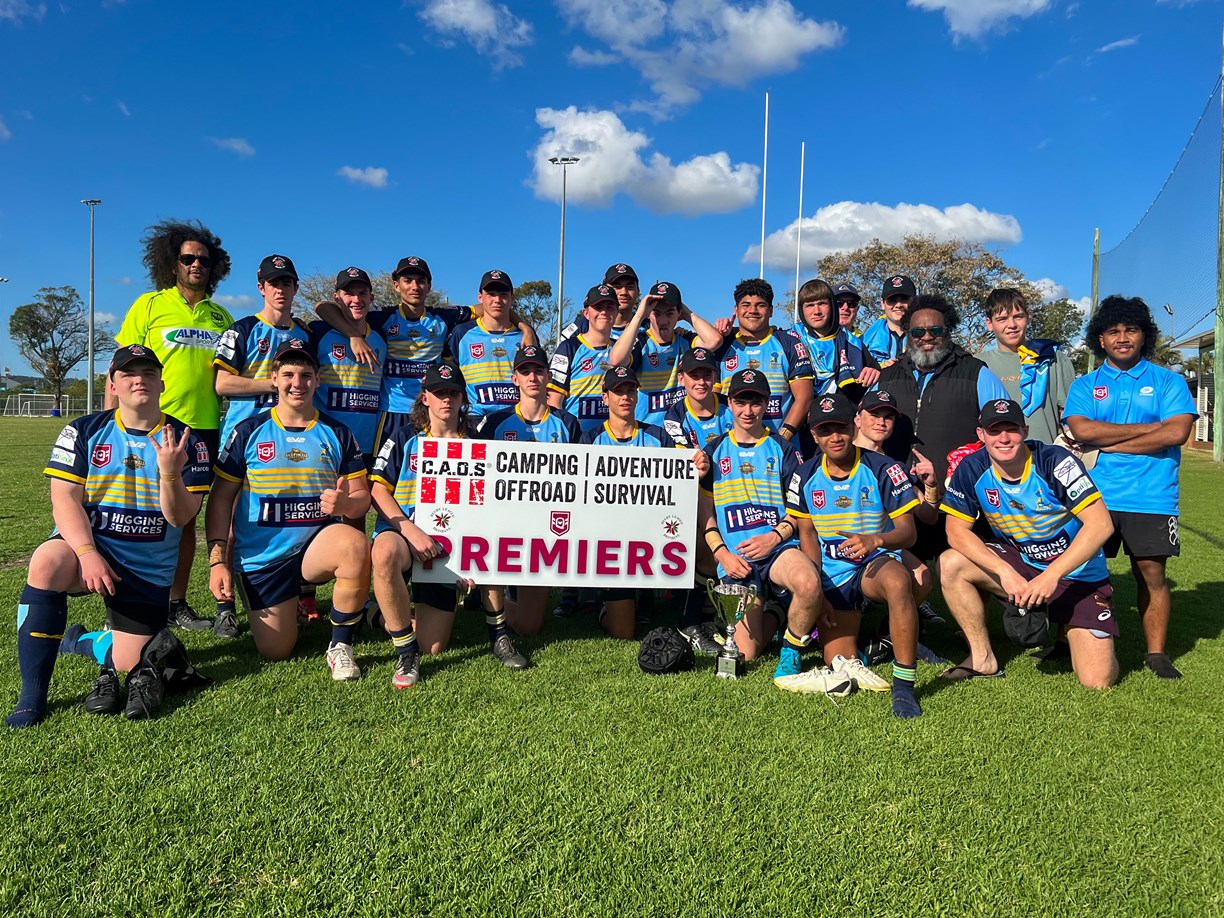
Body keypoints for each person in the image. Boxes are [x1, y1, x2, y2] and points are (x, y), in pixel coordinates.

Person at [7, 345, 211, 727]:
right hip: (92, 549)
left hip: (147, 568)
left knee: (130, 662)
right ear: (113, 385)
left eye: (148, 373)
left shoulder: (188, 440)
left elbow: (181, 517)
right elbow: (64, 500)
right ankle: (32, 695)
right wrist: (87, 553)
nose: (139, 380)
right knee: (47, 562)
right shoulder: (84, 430)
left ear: (162, 383)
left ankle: (79, 640)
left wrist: (169, 472)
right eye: (129, 373)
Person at [207, 341, 373, 680]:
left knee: (355, 545)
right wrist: (217, 561)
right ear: (274, 379)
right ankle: (287, 602)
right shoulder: (248, 431)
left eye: (306, 375)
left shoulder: (337, 432)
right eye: (288, 375)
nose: (297, 383)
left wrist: (346, 505)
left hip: (315, 547)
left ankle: (340, 645)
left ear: (318, 380)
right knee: (276, 650)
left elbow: (362, 497)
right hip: (263, 556)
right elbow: (220, 499)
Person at [939, 399, 1120, 689]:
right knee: (950, 563)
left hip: (1076, 574)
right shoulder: (972, 467)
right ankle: (982, 658)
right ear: (981, 434)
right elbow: (956, 531)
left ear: (1024, 430)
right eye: (994, 431)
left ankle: (1072, 622)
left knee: (1097, 681)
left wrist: (1051, 576)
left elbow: (1101, 524)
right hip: (1022, 564)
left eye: (1011, 429)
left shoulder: (1054, 461)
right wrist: (1005, 572)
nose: (1004, 438)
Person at [1063, 296, 1198, 679]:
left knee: (1151, 575)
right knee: (1076, 569)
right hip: (1092, 496)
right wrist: (1152, 428)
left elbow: (1176, 432)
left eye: (1131, 330)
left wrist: (1108, 442)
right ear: (1100, 339)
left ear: (1144, 335)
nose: (1122, 338)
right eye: (1113, 331)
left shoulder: (1168, 381)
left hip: (1151, 495)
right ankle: (1063, 641)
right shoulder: (1085, 384)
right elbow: (1082, 429)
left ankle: (1156, 654)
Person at [370, 362, 530, 685]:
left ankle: (497, 634)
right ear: (425, 397)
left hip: (449, 541)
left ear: (462, 399)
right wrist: (411, 531)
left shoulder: (477, 442)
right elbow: (377, 490)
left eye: (453, 393)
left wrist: (466, 555)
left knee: (433, 645)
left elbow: (486, 505)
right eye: (439, 392)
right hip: (406, 533)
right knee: (384, 553)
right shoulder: (405, 437)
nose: (446, 399)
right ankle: (406, 653)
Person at [112, 219, 234, 631]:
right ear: (173, 263)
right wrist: (112, 420)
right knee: (140, 514)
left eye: (204, 260)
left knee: (185, 518)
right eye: (188, 258)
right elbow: (119, 369)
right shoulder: (148, 305)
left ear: (214, 267)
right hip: (152, 426)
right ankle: (128, 605)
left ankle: (175, 603)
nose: (196, 264)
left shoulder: (221, 315)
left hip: (203, 429)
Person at [787, 393, 925, 717]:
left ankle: (904, 686)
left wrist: (876, 539)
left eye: (841, 428)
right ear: (814, 435)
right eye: (825, 430)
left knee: (899, 581)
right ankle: (877, 643)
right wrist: (818, 595)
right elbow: (807, 535)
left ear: (853, 427)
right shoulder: (804, 475)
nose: (835, 437)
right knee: (842, 660)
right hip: (832, 575)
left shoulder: (884, 468)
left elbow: (909, 533)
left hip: (871, 565)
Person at [697, 369, 834, 693]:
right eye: (741, 402)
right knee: (746, 652)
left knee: (809, 584)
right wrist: (722, 554)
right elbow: (706, 514)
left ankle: (791, 652)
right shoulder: (713, 451)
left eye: (756, 402)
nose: (748, 411)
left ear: (767, 404)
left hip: (777, 549)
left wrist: (774, 537)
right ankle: (776, 611)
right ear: (730, 403)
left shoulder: (782, 448)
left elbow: (799, 512)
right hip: (737, 558)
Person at [212, 254, 312, 635]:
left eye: (286, 283)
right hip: (246, 437)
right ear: (261, 288)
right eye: (273, 283)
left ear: (295, 288)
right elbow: (222, 383)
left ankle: (294, 596)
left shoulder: (306, 333)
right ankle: (225, 605)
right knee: (235, 519)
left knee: (292, 516)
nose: (280, 289)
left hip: (292, 438)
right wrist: (274, 384)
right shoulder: (243, 329)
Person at [874, 293, 1010, 559]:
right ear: (908, 333)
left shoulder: (977, 373)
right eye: (918, 332)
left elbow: (1004, 432)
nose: (926, 337)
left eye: (935, 330)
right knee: (903, 570)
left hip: (958, 498)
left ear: (948, 331)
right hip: (899, 498)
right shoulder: (887, 375)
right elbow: (865, 428)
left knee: (956, 568)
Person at [475, 344, 582, 636]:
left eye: (538, 370)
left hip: (546, 525)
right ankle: (487, 589)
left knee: (529, 626)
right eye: (525, 372)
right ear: (515, 379)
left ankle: (486, 597)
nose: (532, 377)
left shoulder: (567, 423)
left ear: (549, 376)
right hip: (501, 523)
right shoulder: (494, 423)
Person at [576, 366, 679, 640]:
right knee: (624, 631)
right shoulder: (590, 440)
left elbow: (677, 488)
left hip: (649, 536)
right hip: (607, 540)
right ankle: (602, 598)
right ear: (605, 397)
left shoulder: (658, 437)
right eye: (618, 391)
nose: (625, 397)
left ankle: (650, 594)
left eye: (630, 390)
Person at [608, 281, 722, 426]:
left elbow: (714, 340)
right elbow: (616, 360)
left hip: (681, 429)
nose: (663, 321)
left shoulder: (684, 340)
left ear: (679, 314)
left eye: (669, 313)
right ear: (649, 314)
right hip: (650, 430)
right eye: (656, 313)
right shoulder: (641, 342)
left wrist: (687, 313)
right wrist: (639, 316)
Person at [716, 278, 814, 443]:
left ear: (771, 311)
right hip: (732, 447)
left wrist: (781, 440)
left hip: (779, 446)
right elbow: (714, 401)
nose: (752, 310)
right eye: (746, 305)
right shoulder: (722, 345)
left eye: (760, 305)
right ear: (736, 310)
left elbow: (804, 398)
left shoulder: (789, 344)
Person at [308, 266, 387, 466]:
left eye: (362, 293)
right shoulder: (318, 332)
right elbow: (320, 306)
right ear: (337, 298)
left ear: (371, 298)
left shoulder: (382, 334)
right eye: (349, 294)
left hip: (368, 444)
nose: (356, 300)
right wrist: (353, 336)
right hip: (325, 441)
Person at [976, 287, 1076, 444]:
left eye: (1018, 317)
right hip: (996, 456)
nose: (1012, 325)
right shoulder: (977, 365)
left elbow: (1070, 416)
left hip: (1045, 456)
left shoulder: (1052, 358)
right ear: (989, 323)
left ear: (1028, 317)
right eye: (1002, 319)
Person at [447, 270, 539, 419]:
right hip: (474, 417)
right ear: (480, 297)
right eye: (491, 294)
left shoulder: (526, 335)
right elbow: (450, 378)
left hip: (517, 416)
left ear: (512, 298)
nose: (497, 300)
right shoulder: (462, 333)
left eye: (503, 294)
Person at [785, 277, 880, 403]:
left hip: (841, 412)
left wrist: (875, 371)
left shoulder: (853, 343)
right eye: (810, 305)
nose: (817, 311)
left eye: (822, 304)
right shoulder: (788, 339)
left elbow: (874, 371)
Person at [549, 284, 621, 433]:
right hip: (577, 437)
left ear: (616, 312)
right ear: (586, 313)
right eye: (598, 307)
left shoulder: (621, 350)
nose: (604, 312)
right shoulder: (568, 348)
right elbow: (554, 401)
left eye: (610, 307)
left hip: (611, 438)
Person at [862, 275, 915, 367]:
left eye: (904, 299)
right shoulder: (864, 342)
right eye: (892, 300)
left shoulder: (928, 336)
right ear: (882, 304)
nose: (898, 305)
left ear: (914, 301)